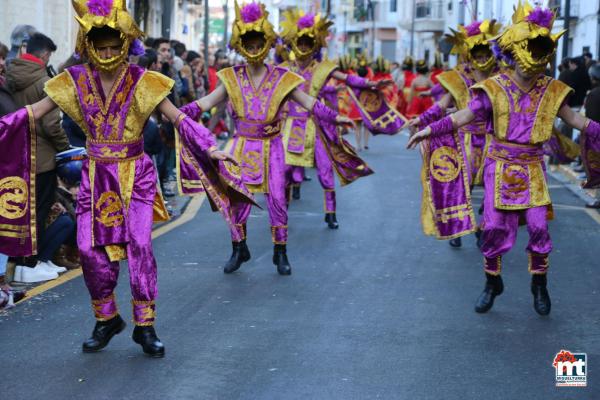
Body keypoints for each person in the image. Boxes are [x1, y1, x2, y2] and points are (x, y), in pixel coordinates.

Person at [0, 0, 253, 357]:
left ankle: (145, 326)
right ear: (88, 45)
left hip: (137, 174)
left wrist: (210, 147)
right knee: (88, 250)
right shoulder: (73, 80)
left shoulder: (143, 81)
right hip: (95, 175)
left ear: (125, 45)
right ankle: (107, 319)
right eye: (99, 46)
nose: (106, 53)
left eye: (112, 46)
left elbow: (178, 118)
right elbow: (34, 112)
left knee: (139, 247)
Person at [407, 1, 600, 316]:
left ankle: (539, 284)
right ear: (514, 50)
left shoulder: (553, 90)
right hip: (500, 165)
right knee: (494, 228)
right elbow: (461, 117)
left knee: (539, 228)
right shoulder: (492, 88)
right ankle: (491, 282)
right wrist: (428, 130)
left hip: (532, 167)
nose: (532, 59)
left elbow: (578, 122)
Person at [180, 1, 356, 275]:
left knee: (277, 197)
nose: (253, 50)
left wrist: (336, 117)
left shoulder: (283, 77)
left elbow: (309, 101)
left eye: (257, 43)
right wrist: (177, 113)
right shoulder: (230, 77)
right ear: (239, 45)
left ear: (268, 42)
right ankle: (239, 248)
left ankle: (280, 251)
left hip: (272, 145)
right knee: (237, 198)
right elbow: (207, 102)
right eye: (247, 45)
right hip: (240, 146)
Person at [279, 9, 385, 229]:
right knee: (285, 170)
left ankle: (330, 212)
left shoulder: (323, 68)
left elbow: (347, 78)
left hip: (317, 124)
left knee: (325, 170)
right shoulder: (283, 69)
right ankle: (282, 211)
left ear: (315, 45)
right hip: (291, 126)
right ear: (293, 42)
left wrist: (369, 84)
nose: (305, 47)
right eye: (301, 42)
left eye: (309, 43)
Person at [409, 19, 502, 249]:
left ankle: (483, 225)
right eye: (477, 56)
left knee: (494, 190)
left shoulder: (502, 81)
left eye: (485, 56)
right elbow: (440, 106)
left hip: (494, 140)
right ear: (469, 57)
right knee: (465, 186)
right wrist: (421, 119)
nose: (481, 61)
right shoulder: (459, 81)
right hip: (466, 140)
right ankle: (460, 227)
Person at [7, 32, 70, 283]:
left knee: (22, 211)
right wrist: (65, 148)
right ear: (44, 55)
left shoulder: (12, 75)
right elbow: (52, 124)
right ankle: (30, 264)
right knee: (39, 212)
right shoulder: (43, 80)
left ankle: (23, 264)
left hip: (17, 154)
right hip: (42, 156)